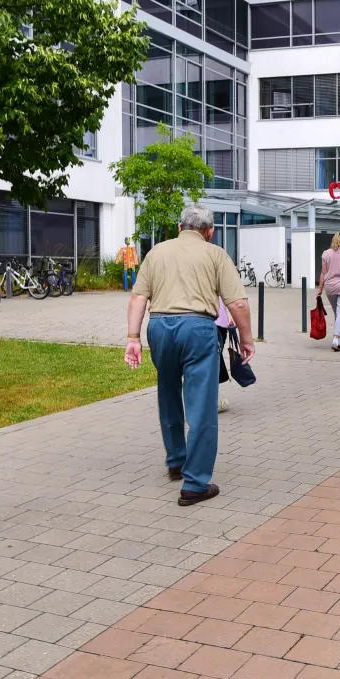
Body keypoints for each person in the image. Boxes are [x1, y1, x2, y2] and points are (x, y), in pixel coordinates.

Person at [124, 204, 252, 506]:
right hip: (197, 329)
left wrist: (133, 338)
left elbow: (137, 296)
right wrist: (246, 339)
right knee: (202, 404)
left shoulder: (156, 252)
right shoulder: (216, 254)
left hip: (159, 328)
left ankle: (176, 461)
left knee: (168, 392)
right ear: (210, 232)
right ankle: (195, 483)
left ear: (180, 227)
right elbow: (238, 303)